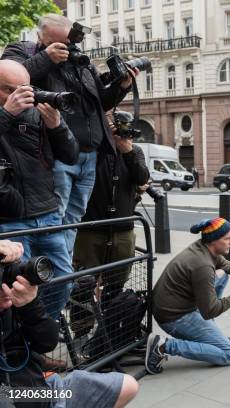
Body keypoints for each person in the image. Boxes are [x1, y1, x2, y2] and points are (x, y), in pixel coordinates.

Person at [1, 13, 138, 255]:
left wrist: (122, 85)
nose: (68, 48)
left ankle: (61, 271)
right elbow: (15, 79)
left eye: (70, 43)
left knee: (74, 218)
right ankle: (47, 274)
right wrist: (47, 58)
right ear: (41, 37)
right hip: (57, 151)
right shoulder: (24, 50)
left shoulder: (81, 63)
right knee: (56, 218)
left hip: (89, 153)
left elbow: (101, 103)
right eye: (59, 43)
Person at [0, 239, 139, 408]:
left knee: (127, 385)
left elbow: (47, 342)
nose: (6, 285)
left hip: (41, 392)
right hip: (12, 394)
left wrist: (30, 305)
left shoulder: (15, 297)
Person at [0, 60, 78, 320]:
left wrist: (57, 126)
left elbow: (70, 155)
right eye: (12, 89)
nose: (24, 95)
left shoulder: (38, 112)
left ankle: (39, 340)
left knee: (63, 280)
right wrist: (7, 114)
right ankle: (22, 353)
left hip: (47, 215)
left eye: (26, 87)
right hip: (10, 222)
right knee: (17, 290)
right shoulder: (8, 112)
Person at [146, 217, 230, 374]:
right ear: (213, 240)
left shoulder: (203, 247)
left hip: (171, 304)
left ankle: (211, 338)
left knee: (223, 275)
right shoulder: (202, 266)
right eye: (228, 239)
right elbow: (210, 311)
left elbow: (222, 263)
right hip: (174, 317)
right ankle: (163, 346)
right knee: (229, 354)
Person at [72, 111, 149, 309]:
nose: (125, 134)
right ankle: (82, 330)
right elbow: (84, 173)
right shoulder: (95, 150)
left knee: (116, 284)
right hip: (91, 230)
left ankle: (109, 326)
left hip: (123, 231)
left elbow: (142, 178)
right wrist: (106, 144)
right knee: (83, 285)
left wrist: (128, 152)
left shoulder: (136, 151)